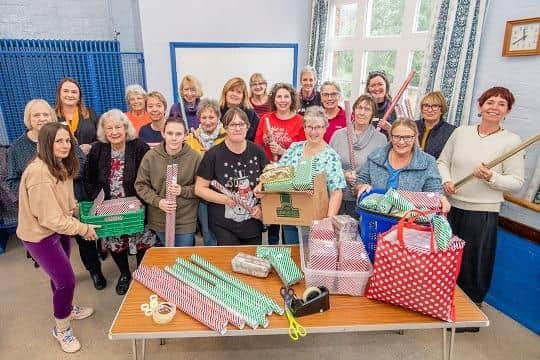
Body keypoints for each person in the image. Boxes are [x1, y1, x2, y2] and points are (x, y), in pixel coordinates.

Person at [438, 87, 524, 329]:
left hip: (483, 212)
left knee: (473, 264)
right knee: (446, 260)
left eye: (501, 104)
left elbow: (516, 183)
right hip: (452, 207)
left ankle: (468, 317)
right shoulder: (461, 133)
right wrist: (446, 180)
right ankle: (443, 306)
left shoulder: (512, 141)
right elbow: (442, 161)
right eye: (490, 102)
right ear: (480, 106)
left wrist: (491, 177)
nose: (494, 107)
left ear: (507, 111)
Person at [16, 122, 99, 353]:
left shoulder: (60, 164)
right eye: (58, 141)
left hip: (59, 228)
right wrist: (82, 228)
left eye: (67, 140)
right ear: (46, 144)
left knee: (59, 276)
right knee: (66, 280)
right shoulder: (39, 173)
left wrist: (78, 213)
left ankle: (68, 307)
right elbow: (49, 218)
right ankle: (61, 329)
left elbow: (65, 200)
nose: (64, 145)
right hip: (40, 235)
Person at [8, 100, 104, 281]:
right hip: (43, 220)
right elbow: (13, 181)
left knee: (76, 250)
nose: (42, 118)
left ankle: (94, 272)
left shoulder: (63, 145)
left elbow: (80, 163)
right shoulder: (19, 151)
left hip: (65, 207)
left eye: (46, 114)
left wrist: (61, 181)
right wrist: (34, 192)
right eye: (36, 115)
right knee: (61, 274)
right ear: (28, 119)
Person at [85, 109, 155, 295]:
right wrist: (97, 201)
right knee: (115, 242)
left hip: (136, 206)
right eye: (109, 128)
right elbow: (89, 179)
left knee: (142, 241)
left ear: (125, 128)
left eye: (118, 127)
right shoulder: (97, 150)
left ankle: (142, 272)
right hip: (110, 208)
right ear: (104, 131)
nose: (114, 131)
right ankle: (125, 274)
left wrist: (143, 201)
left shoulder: (139, 147)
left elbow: (150, 177)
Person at [268, 106, 346, 244]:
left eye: (318, 127)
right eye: (309, 127)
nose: (313, 132)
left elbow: (336, 192)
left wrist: (328, 219)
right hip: (291, 216)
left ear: (325, 128)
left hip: (317, 221)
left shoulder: (331, 156)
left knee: (312, 257)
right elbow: (279, 175)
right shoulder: (294, 148)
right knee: (293, 254)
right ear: (304, 127)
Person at [195, 107, 268, 245]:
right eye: (232, 125)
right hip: (223, 224)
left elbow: (270, 180)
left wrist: (261, 203)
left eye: (241, 124)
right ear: (225, 128)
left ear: (248, 127)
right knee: (229, 259)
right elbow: (199, 189)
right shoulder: (213, 154)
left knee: (252, 261)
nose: (237, 128)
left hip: (253, 221)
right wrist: (224, 199)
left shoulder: (258, 152)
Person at [135, 117, 201, 247]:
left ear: (185, 135)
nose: (174, 138)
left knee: (183, 258)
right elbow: (141, 185)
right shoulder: (151, 156)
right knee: (166, 258)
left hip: (185, 220)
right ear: (163, 133)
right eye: (170, 133)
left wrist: (182, 190)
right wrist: (158, 201)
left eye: (178, 134)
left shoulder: (195, 158)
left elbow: (202, 188)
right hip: (159, 219)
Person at [254, 82, 306, 245]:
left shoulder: (300, 121)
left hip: (289, 175)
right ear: (273, 99)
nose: (282, 100)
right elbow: (256, 146)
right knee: (272, 214)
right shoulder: (265, 119)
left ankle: (288, 247)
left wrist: (284, 151)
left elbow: (304, 151)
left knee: (287, 213)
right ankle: (273, 246)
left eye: (286, 96)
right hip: (269, 173)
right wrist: (264, 142)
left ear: (292, 99)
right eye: (279, 96)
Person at [356, 118, 446, 203]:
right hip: (374, 215)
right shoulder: (376, 156)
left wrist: (441, 199)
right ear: (390, 136)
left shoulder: (428, 162)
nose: (401, 142)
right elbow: (361, 180)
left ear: (415, 137)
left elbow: (434, 193)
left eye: (407, 137)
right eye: (397, 137)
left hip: (409, 217)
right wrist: (362, 186)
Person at [330, 94, 387, 218]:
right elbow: (329, 165)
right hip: (337, 197)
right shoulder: (338, 135)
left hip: (365, 200)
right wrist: (344, 174)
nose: (362, 112)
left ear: (373, 114)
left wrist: (363, 184)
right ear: (353, 110)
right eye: (359, 108)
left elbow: (381, 171)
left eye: (367, 109)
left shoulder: (381, 140)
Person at [184, 99, 225, 246]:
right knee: (207, 231)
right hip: (202, 193)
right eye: (204, 117)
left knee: (225, 230)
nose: (208, 121)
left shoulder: (227, 136)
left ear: (218, 117)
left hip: (223, 192)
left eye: (212, 117)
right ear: (199, 118)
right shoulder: (190, 139)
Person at [55, 77, 99, 155]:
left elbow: (103, 137)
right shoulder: (52, 116)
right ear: (59, 94)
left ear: (79, 97)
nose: (70, 95)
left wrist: (90, 146)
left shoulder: (90, 113)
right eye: (66, 91)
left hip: (90, 160)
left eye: (74, 92)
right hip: (63, 162)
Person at [416, 91, 456, 159]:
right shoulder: (412, 126)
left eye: (434, 106)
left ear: (442, 110)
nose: (429, 110)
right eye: (426, 106)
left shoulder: (451, 131)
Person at [219, 77, 260, 141]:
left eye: (239, 92)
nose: (234, 94)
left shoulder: (250, 114)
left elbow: (253, 138)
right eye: (232, 90)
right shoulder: (217, 111)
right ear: (225, 92)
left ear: (243, 96)